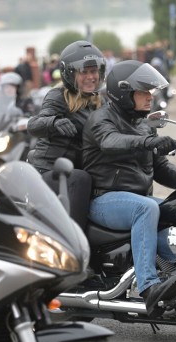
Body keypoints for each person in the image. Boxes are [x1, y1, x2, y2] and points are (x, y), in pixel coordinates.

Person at [82, 60, 176, 318]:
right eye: (143, 92)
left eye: (151, 92)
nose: (150, 97)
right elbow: (111, 142)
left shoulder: (142, 124)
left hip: (134, 200)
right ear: (124, 93)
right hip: (104, 201)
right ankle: (149, 287)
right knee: (145, 208)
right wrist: (149, 141)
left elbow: (162, 169)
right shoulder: (100, 119)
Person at [27, 40, 105, 229]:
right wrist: (54, 122)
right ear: (70, 73)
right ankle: (74, 242)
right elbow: (34, 125)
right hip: (51, 171)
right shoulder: (58, 96)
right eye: (83, 72)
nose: (90, 77)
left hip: (76, 170)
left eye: (94, 71)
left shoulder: (99, 100)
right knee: (82, 178)